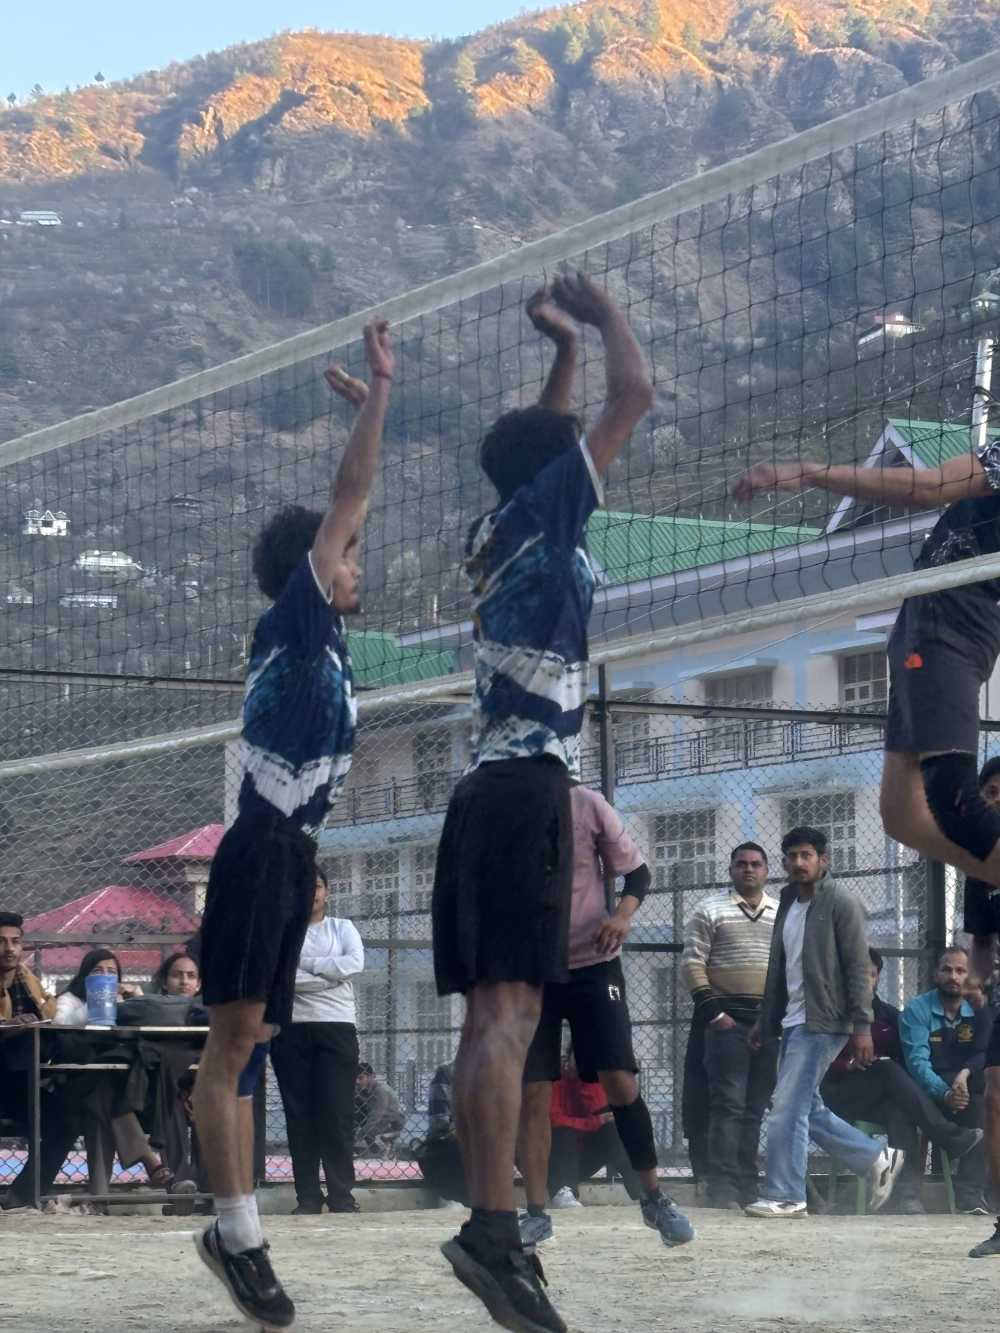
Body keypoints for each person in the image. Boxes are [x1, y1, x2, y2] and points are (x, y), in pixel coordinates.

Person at [432, 273, 652, 1333]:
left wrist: (560, 351)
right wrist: (605, 318)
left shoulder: (497, 527)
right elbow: (634, 398)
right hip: (527, 795)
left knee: (494, 1021)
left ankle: (492, 1222)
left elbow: (550, 432)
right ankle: (490, 1225)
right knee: (511, 1024)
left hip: (484, 793)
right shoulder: (547, 511)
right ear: (555, 470)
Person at [192, 321, 394, 1331]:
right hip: (261, 847)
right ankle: (238, 1234)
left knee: (252, 1038)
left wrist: (368, 419)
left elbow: (353, 508)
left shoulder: (326, 645)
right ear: (314, 567)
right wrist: (378, 397)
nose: (357, 562)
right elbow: (347, 499)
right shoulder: (297, 623)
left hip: (292, 850)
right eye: (345, 554)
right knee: (230, 1046)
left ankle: (235, 1231)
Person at [732, 449, 1000, 898]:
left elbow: (926, 487)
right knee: (902, 815)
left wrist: (811, 471)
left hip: (953, 623)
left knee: (955, 801)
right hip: (922, 620)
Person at [517, 783, 692, 1250]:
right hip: (531, 972)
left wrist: (622, 916)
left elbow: (638, 874)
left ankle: (654, 1198)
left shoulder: (587, 804)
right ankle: (535, 1213)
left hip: (594, 964)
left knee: (620, 1082)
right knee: (533, 1093)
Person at [744, 827, 903, 1218]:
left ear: (823, 860)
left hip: (825, 1021)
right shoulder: (788, 901)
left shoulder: (841, 902)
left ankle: (786, 1194)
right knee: (805, 1107)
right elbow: (779, 966)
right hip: (793, 1020)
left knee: (786, 1107)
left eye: (807, 855)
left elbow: (858, 966)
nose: (799, 863)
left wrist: (862, 1026)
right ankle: (874, 1158)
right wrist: (766, 1019)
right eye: (792, 856)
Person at [821, 947, 983, 1214]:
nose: (865, 981)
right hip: (839, 1092)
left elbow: (906, 1060)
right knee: (888, 1070)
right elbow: (817, 1060)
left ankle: (907, 1195)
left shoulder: (889, 1015)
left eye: (871, 975)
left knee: (900, 1107)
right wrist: (847, 1064)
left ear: (878, 978)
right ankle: (948, 1135)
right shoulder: (831, 1013)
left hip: (880, 1096)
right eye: (859, 975)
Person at [681, 841, 778, 1209]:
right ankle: (721, 1186)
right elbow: (692, 964)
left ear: (767, 870)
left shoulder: (781, 913)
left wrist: (774, 1019)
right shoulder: (709, 910)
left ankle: (748, 1186)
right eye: (741, 864)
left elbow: (788, 968)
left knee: (754, 1109)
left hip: (768, 1025)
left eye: (755, 864)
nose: (748, 869)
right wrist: (716, 1015)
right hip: (726, 1023)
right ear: (731, 869)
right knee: (728, 1105)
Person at [270, 869, 364, 1214]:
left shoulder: (342, 928)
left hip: (337, 1028)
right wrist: (329, 975)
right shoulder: (281, 933)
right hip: (291, 1028)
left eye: (317, 886)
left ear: (327, 892)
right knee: (300, 1116)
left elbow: (354, 964)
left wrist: (303, 964)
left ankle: (342, 1196)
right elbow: (278, 977)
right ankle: (308, 1197)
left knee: (336, 1114)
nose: (310, 892)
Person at [54, 948, 177, 1204]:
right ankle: (149, 1160)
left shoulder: (124, 1001)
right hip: (73, 1084)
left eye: (111, 972)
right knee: (103, 1093)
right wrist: (98, 1003)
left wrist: (137, 999)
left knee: (101, 1105)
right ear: (85, 976)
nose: (105, 976)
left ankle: (99, 1197)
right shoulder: (69, 1000)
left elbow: (150, 1026)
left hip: (113, 1089)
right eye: (98, 971)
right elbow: (59, 1024)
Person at [900, 946, 991, 1215]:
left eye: (961, 971)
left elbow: (983, 1053)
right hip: (927, 1090)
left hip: (965, 1090)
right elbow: (917, 1063)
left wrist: (963, 1078)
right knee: (908, 1101)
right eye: (947, 969)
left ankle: (969, 1197)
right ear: (935, 974)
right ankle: (909, 1194)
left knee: (982, 1105)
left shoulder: (977, 1010)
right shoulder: (917, 1009)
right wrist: (945, 1092)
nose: (953, 976)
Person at [0, 911, 80, 1211]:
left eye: (15, 942)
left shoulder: (28, 981)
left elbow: (49, 1013)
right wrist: (9, 1027)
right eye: (2, 942)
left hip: (22, 1083)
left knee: (67, 1120)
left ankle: (22, 1194)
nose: (9, 949)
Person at [545, 1055, 640, 1207]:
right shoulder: (554, 1078)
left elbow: (603, 1113)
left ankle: (643, 1191)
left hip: (579, 1161)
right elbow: (554, 1120)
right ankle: (562, 1191)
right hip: (550, 1162)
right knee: (565, 1132)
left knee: (611, 1130)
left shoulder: (593, 1080)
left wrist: (586, 1081)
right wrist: (591, 1123)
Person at [963, 757, 1000, 987]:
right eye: (991, 792)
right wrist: (973, 985)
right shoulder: (978, 867)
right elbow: (982, 942)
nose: (998, 799)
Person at [417, 1061, 469, 1208]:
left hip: (459, 1149)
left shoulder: (448, 1071)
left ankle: (454, 1196)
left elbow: (439, 1123)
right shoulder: (507, 1068)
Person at [353, 1062, 404, 1154]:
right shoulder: (361, 1089)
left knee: (367, 1132)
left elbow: (376, 1116)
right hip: (376, 1119)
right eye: (355, 1078)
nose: (357, 1081)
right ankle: (377, 1147)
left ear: (371, 1076)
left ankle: (386, 1140)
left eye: (361, 1078)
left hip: (391, 1120)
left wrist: (359, 1136)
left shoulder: (380, 1091)